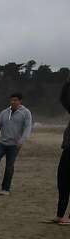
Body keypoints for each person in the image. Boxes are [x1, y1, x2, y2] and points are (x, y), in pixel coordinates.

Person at [0, 92, 34, 196]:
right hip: (1, 142)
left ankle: (5, 189)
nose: (13, 102)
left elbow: (28, 128)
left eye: (15, 100)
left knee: (9, 166)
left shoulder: (25, 113)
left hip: (14, 144)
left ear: (20, 101)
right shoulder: (4, 112)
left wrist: (22, 141)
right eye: (12, 100)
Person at [58, 80, 70, 225]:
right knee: (62, 182)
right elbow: (64, 99)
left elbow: (65, 100)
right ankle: (60, 214)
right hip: (67, 149)